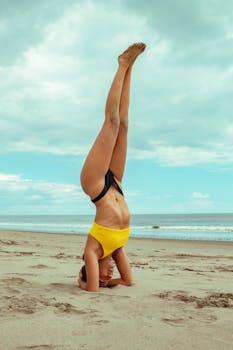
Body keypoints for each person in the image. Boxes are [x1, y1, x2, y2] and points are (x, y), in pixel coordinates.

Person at [78, 42, 146, 292]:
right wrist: (113, 284)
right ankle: (130, 70)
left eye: (104, 275)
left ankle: (121, 64)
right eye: (109, 276)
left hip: (96, 186)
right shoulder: (116, 249)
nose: (110, 274)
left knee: (113, 122)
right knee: (125, 123)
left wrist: (87, 282)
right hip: (116, 184)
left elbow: (92, 289)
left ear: (90, 268)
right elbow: (128, 281)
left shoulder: (91, 252)